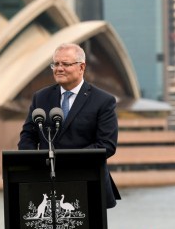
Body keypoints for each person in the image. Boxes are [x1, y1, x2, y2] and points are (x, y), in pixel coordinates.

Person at [18, 43, 121, 208]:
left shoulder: (103, 101)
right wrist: (32, 163)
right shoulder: (41, 97)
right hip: (45, 183)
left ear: (81, 67)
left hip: (88, 183)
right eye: (56, 64)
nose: (59, 68)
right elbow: (28, 135)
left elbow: (107, 145)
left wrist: (65, 161)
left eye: (65, 64)